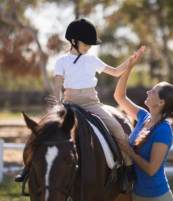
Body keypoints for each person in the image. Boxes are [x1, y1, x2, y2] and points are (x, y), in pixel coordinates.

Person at [14, 18, 136, 184]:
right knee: (41, 129)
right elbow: (57, 86)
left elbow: (115, 72)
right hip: (69, 103)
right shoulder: (61, 61)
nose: (89, 47)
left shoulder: (92, 60)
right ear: (73, 41)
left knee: (117, 128)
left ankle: (128, 167)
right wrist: (58, 105)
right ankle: (27, 167)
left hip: (92, 102)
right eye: (86, 43)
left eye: (90, 44)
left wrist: (129, 62)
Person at [114, 46, 173, 201]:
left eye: (153, 91)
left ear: (161, 102)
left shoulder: (164, 130)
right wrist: (128, 67)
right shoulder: (143, 116)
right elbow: (119, 96)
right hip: (141, 199)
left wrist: (128, 149)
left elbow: (151, 169)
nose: (148, 92)